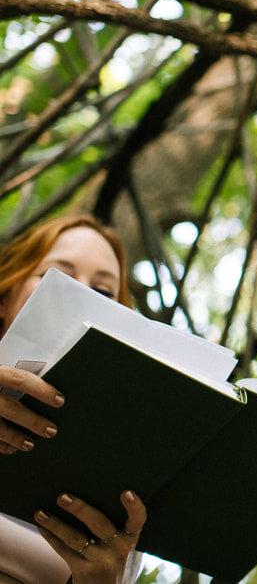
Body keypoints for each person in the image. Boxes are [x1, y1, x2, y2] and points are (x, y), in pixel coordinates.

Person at [0, 215, 147, 584]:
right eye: (57, 276)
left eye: (103, 292)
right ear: (7, 292)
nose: (82, 295)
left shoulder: (126, 484)